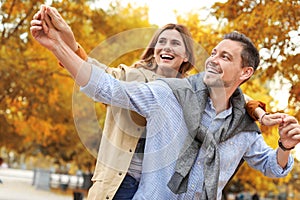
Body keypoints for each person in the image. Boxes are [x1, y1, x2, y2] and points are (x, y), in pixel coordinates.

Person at [30, 6, 300, 199]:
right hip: (123, 184)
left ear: (245, 73)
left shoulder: (237, 121)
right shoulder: (167, 94)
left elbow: (271, 163)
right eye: (214, 53)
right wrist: (61, 45)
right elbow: (104, 84)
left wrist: (281, 141)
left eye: (226, 57)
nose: (214, 59)